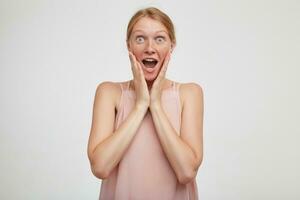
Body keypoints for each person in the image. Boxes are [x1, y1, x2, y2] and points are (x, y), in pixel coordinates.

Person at [87, 6, 204, 200]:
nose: (150, 48)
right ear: (129, 45)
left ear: (172, 45)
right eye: (140, 38)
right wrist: (141, 104)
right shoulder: (109, 93)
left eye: (159, 39)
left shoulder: (189, 94)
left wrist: (155, 105)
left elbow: (186, 172)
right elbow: (100, 167)